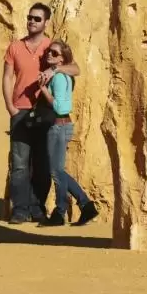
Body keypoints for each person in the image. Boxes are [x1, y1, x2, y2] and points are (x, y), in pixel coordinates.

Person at [1, 3, 80, 224]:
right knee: (19, 163)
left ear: (46, 22)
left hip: (45, 113)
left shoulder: (50, 47)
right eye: (29, 18)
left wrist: (54, 68)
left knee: (43, 163)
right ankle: (20, 209)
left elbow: (75, 69)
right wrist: (10, 106)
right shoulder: (15, 47)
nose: (32, 22)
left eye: (37, 19)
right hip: (20, 110)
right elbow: (7, 77)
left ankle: (37, 208)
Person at [38, 41, 99, 227]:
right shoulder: (62, 74)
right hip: (62, 126)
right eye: (49, 51)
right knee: (58, 171)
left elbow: (60, 106)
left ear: (62, 58)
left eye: (54, 53)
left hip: (58, 126)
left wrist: (42, 90)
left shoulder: (58, 77)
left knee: (56, 172)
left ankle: (61, 212)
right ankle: (84, 206)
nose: (50, 54)